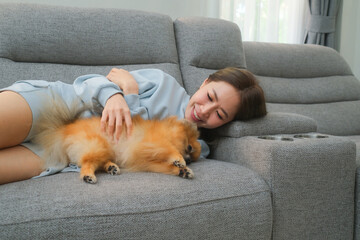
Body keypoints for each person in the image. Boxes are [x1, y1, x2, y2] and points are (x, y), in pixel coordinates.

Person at [0, 67, 266, 184]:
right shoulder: (163, 83)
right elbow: (90, 81)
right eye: (210, 97)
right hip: (58, 105)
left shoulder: (196, 148)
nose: (204, 111)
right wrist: (115, 96)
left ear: (229, 123)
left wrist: (131, 94)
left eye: (220, 114)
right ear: (205, 83)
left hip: (64, 151)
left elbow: (139, 147)